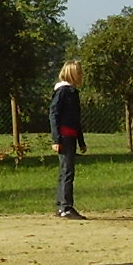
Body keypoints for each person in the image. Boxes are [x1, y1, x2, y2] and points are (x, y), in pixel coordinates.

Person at [49, 59, 87, 220]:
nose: (81, 75)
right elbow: (53, 114)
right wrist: (56, 139)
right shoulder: (63, 91)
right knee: (67, 171)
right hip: (64, 136)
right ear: (72, 74)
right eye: (79, 72)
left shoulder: (73, 92)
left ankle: (61, 205)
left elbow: (75, 120)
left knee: (65, 170)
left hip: (71, 135)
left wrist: (81, 141)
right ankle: (66, 207)